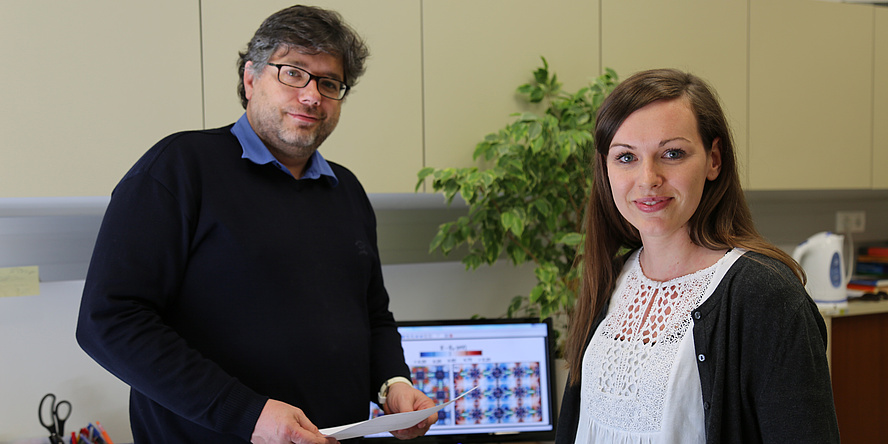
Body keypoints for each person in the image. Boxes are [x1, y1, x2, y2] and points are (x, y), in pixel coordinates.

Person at [76, 5, 437, 443]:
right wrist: (248, 415)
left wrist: (392, 386)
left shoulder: (347, 191)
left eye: (329, 83)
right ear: (250, 79)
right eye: (293, 73)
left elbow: (373, 317)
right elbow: (109, 321)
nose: (311, 96)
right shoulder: (179, 169)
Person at [555, 69, 839, 443]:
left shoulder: (765, 295)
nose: (648, 178)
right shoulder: (610, 278)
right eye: (626, 157)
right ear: (605, 169)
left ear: (713, 160)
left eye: (672, 153)